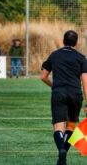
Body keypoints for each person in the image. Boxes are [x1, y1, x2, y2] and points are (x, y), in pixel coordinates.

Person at [40, 30, 87, 165]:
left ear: (63, 41)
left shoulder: (55, 55)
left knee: (58, 127)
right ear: (76, 42)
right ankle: (63, 154)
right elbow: (85, 82)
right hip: (75, 93)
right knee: (71, 125)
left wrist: (54, 86)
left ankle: (61, 150)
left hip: (59, 92)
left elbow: (43, 76)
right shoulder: (81, 58)